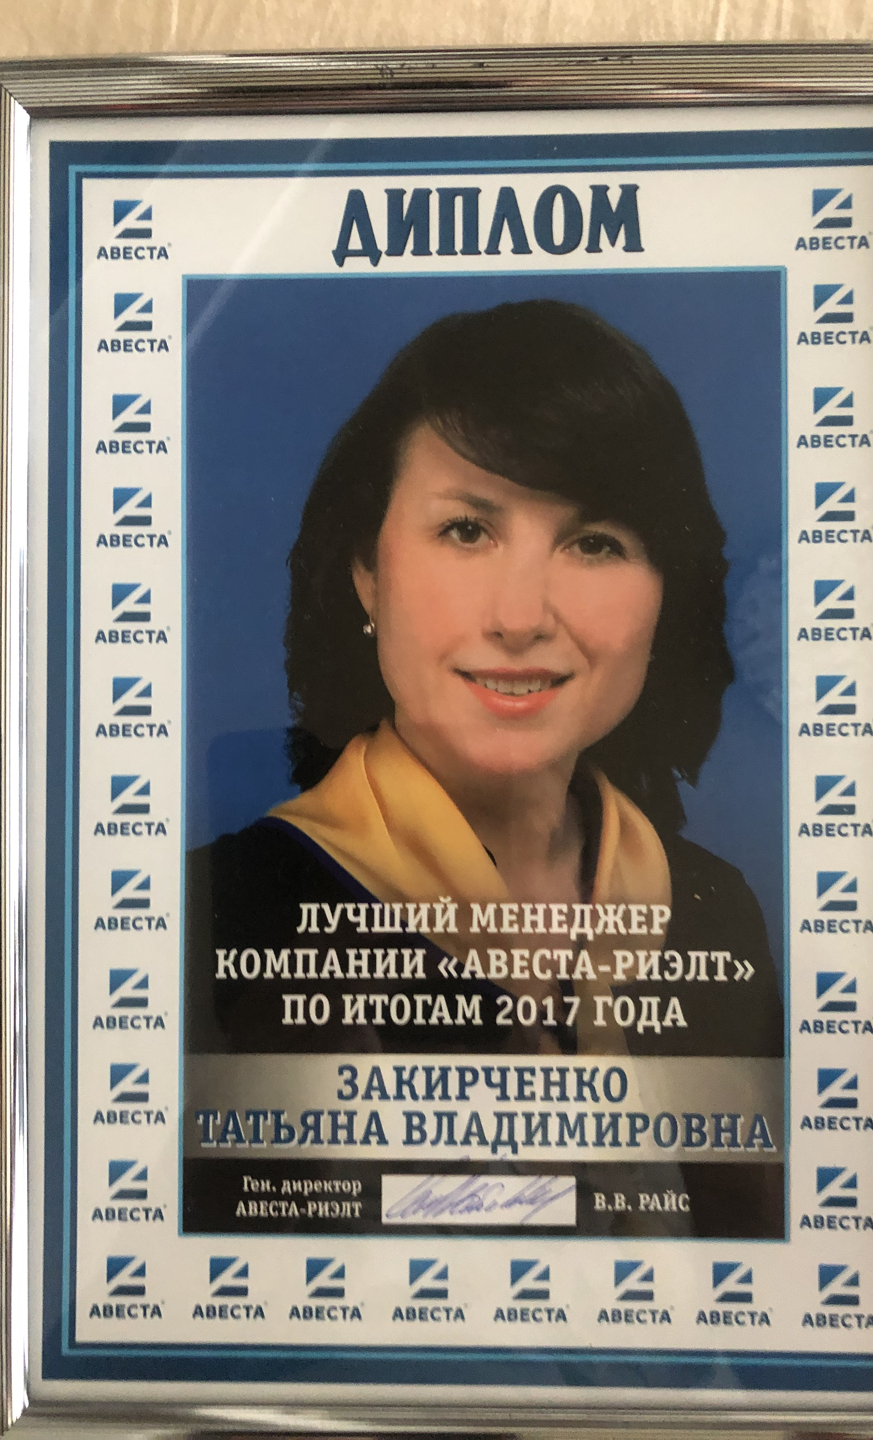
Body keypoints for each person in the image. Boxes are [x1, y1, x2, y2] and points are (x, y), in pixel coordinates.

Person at [186, 299, 783, 1063]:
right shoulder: (216, 914)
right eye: (466, 531)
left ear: (667, 594)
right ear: (367, 573)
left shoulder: (718, 915)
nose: (520, 618)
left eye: (595, 544)